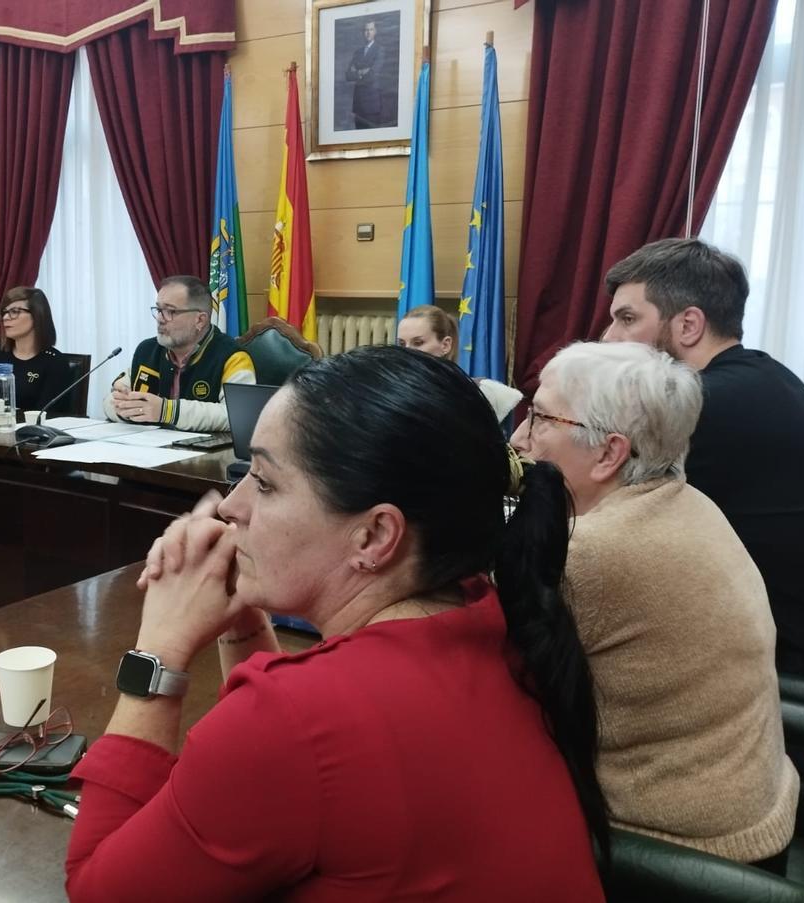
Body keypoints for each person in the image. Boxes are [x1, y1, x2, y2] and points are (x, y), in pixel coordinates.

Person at [65, 346, 608, 900]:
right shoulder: (490, 610)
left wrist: (160, 650)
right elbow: (280, 780)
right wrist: (244, 617)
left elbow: (99, 891)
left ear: (374, 537)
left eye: (266, 482)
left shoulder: (294, 721)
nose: (231, 505)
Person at [511, 340, 798, 865]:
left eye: (540, 418)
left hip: (674, 849)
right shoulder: (690, 500)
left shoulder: (593, 550)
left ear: (609, 453)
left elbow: (496, 686)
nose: (520, 438)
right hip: (754, 805)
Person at [601, 237, 804, 685]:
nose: (608, 338)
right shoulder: (754, 378)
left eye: (627, 319)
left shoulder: (706, 405)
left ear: (688, 325)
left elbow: (595, 506)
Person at [104, 275, 255, 432]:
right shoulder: (147, 350)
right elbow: (110, 400)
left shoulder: (232, 358)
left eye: (170, 311)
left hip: (205, 454)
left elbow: (238, 416)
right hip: (151, 449)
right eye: (159, 310)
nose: (160, 319)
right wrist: (126, 410)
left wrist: (166, 411)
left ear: (200, 320)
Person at [398, 304, 523, 422]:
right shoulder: (392, 392)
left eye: (418, 343)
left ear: (445, 345)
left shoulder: (485, 394)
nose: (406, 351)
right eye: (402, 344)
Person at [0, 287, 74, 415]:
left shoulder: (55, 362)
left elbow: (48, 415)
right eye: (4, 312)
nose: (5, 317)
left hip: (33, 432)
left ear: (37, 315)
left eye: (15, 311)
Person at [345, 19, 383, 129]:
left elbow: (374, 74)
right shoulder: (358, 52)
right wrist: (362, 72)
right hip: (358, 104)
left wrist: (357, 71)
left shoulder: (380, 50)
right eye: (366, 30)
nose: (368, 33)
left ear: (375, 31)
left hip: (372, 104)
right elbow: (348, 75)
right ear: (363, 32)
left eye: (371, 29)